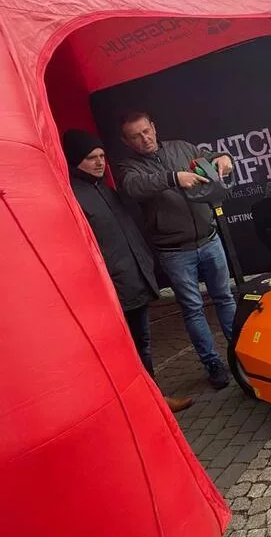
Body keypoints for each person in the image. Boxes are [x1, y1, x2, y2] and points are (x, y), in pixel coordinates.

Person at [62, 129, 193, 413]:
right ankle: (146, 404)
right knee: (126, 349)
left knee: (142, 344)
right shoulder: (72, 197)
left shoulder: (107, 190)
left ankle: (152, 400)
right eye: (91, 158)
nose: (99, 162)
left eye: (101, 156)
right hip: (111, 289)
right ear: (75, 160)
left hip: (132, 282)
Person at [115, 111, 236, 390]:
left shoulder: (182, 148)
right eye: (136, 136)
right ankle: (212, 363)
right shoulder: (128, 167)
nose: (144, 139)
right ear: (126, 141)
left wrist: (223, 157)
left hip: (209, 239)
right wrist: (173, 178)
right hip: (174, 251)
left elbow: (209, 156)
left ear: (154, 127)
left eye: (146, 131)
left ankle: (240, 351)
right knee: (193, 309)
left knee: (225, 298)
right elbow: (134, 187)